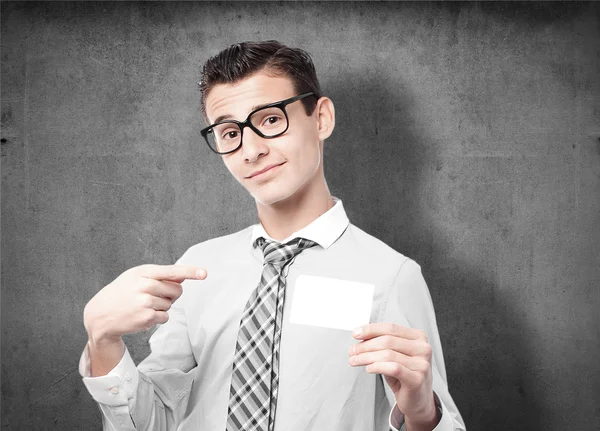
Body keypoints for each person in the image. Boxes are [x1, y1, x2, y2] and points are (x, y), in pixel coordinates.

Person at [79, 40, 466, 431]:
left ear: (321, 118)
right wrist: (103, 342)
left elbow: (435, 416)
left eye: (269, 120)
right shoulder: (198, 270)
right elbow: (152, 423)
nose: (251, 150)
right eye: (230, 133)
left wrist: (421, 415)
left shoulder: (392, 275)